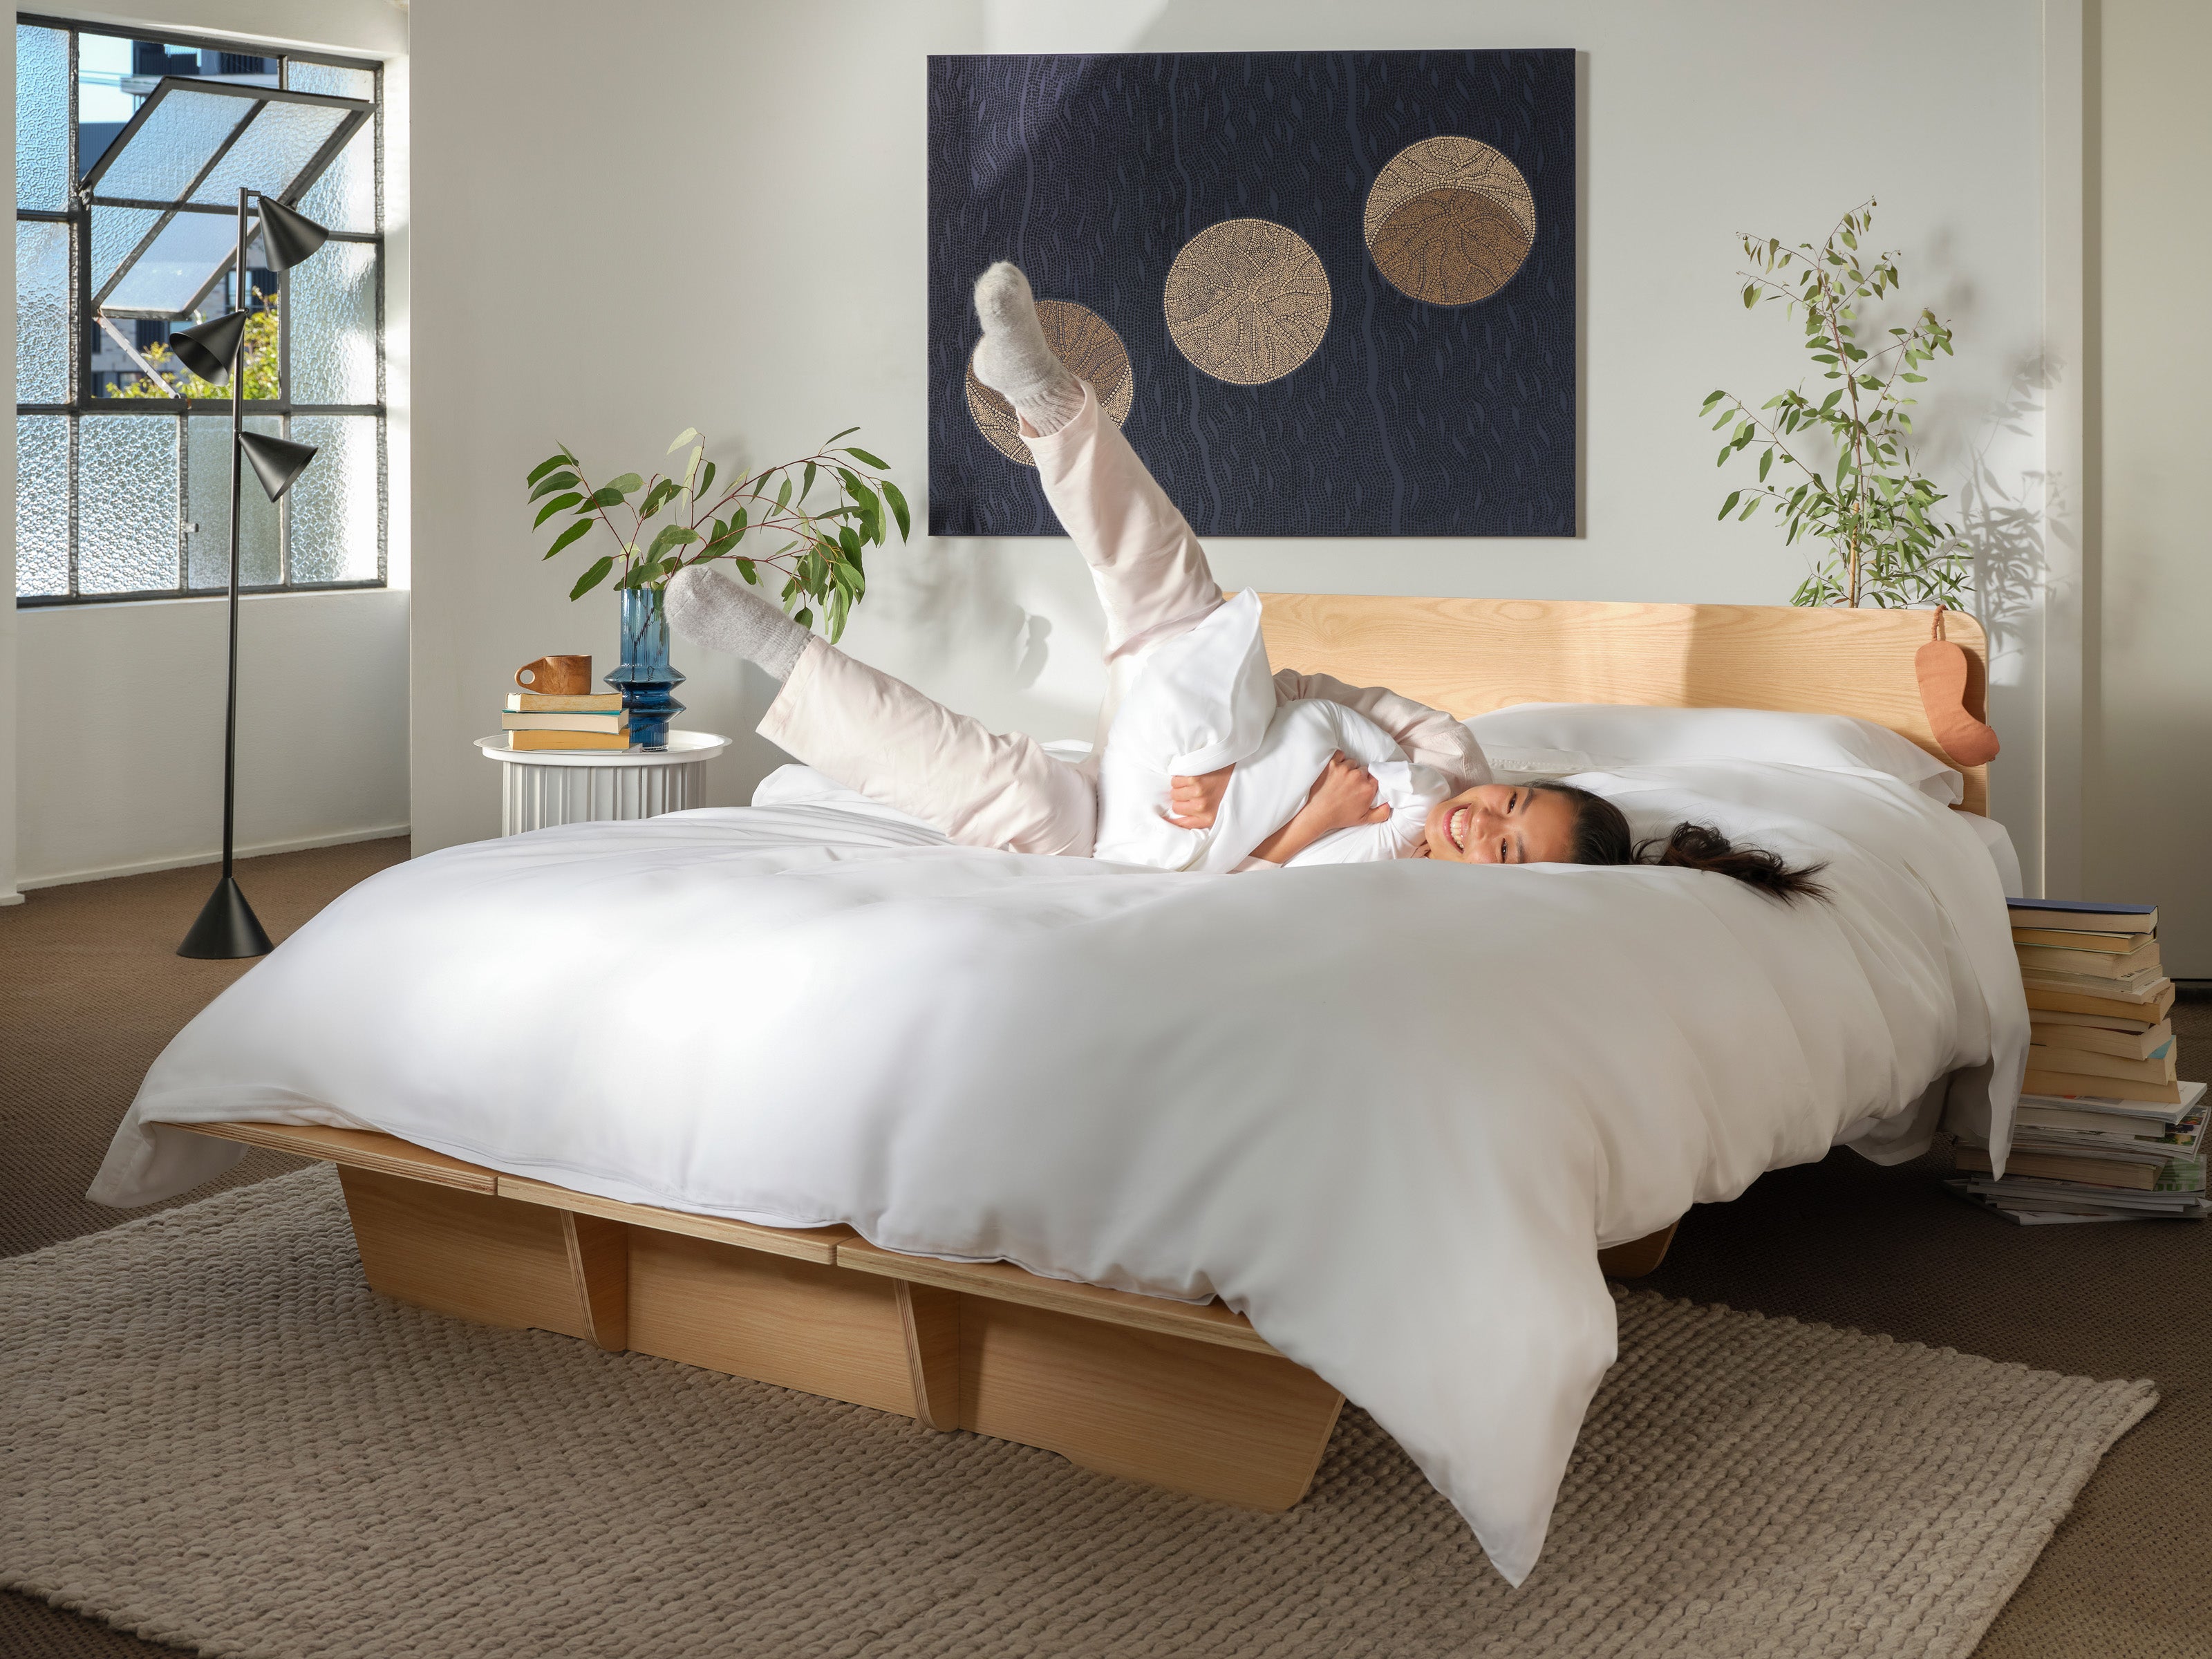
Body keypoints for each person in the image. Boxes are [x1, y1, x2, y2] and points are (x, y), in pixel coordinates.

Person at [668, 263, 1825, 899]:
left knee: (990, 786)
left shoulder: (1435, 916)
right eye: (1513, 808)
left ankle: (776, 650)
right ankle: (1045, 399)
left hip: (1145, 860)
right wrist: (1242, 730)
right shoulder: (1449, 764)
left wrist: (1295, 816)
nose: (1486, 827)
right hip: (1190, 751)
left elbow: (1253, 898)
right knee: (1172, 587)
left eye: (1511, 851)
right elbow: (1348, 703)